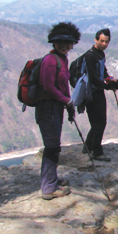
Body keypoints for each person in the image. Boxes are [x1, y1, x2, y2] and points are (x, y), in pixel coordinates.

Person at [37, 22, 80, 200]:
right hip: (48, 108)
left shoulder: (62, 59)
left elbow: (62, 86)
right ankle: (48, 188)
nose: (64, 45)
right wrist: (66, 100)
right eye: (60, 42)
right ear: (53, 43)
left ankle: (51, 180)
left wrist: (69, 105)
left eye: (67, 42)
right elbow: (48, 87)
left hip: (56, 108)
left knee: (54, 145)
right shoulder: (49, 60)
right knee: (52, 146)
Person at [81, 28, 118, 161]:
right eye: (102, 41)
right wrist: (108, 86)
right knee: (99, 122)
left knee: (97, 122)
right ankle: (97, 152)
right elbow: (93, 78)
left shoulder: (100, 54)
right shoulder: (90, 56)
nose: (104, 44)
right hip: (91, 92)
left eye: (106, 41)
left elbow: (102, 71)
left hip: (98, 91)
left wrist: (110, 79)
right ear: (96, 40)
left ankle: (88, 146)